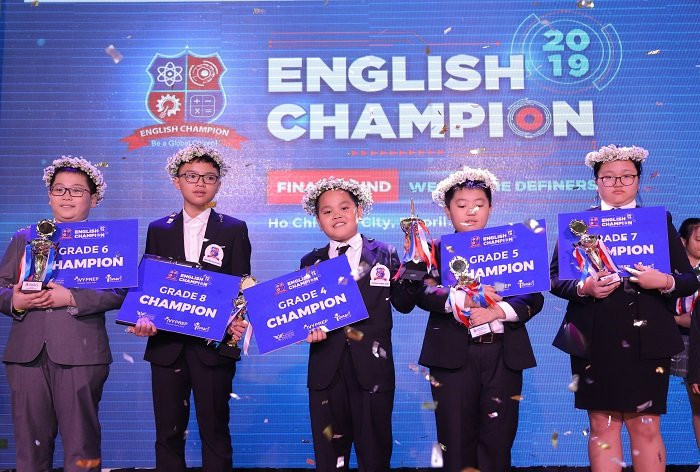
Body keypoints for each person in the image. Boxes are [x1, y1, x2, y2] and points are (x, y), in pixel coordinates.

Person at [550, 145, 699, 472]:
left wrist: (664, 281)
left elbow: (688, 280)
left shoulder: (658, 221)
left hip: (648, 338)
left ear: (638, 180)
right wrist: (584, 288)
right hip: (594, 338)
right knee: (602, 425)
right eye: (609, 177)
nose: (618, 183)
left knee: (645, 425)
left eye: (626, 176)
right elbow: (556, 279)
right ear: (596, 182)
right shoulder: (579, 225)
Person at [412, 166, 544, 471]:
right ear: (447, 210)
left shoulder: (512, 244)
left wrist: (497, 311)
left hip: (503, 355)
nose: (470, 212)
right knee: (455, 440)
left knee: (498, 441)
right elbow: (422, 292)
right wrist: (463, 300)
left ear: (491, 208)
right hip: (452, 358)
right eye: (461, 205)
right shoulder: (433, 250)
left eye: (479, 204)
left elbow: (533, 296)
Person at [130, 143, 251, 472]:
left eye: (209, 177)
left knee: (215, 429)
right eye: (192, 176)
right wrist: (142, 318)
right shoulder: (159, 228)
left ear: (219, 183)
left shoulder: (234, 228)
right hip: (166, 345)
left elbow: (242, 282)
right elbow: (149, 284)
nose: (200, 183)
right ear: (177, 180)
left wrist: (237, 320)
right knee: (168, 432)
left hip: (213, 345)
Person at [0, 156, 125, 472]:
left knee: (82, 446)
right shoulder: (25, 237)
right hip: (25, 354)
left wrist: (69, 297)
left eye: (77, 191)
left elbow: (119, 290)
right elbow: (2, 286)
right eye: (59, 189)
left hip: (80, 353)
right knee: (30, 447)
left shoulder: (108, 239)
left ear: (93, 199)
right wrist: (16, 301)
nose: (67, 197)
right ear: (49, 195)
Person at [299, 177, 417, 472]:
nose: (336, 215)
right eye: (327, 211)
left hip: (373, 370)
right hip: (326, 372)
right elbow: (303, 315)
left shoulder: (385, 253)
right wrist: (305, 331)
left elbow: (404, 304)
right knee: (329, 459)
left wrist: (414, 262)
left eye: (344, 208)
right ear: (318, 220)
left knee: (375, 457)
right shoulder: (310, 261)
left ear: (359, 211)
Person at [673, 218, 700, 451]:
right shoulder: (671, 271)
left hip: (697, 337)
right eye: (698, 239)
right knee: (696, 402)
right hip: (678, 338)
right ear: (683, 241)